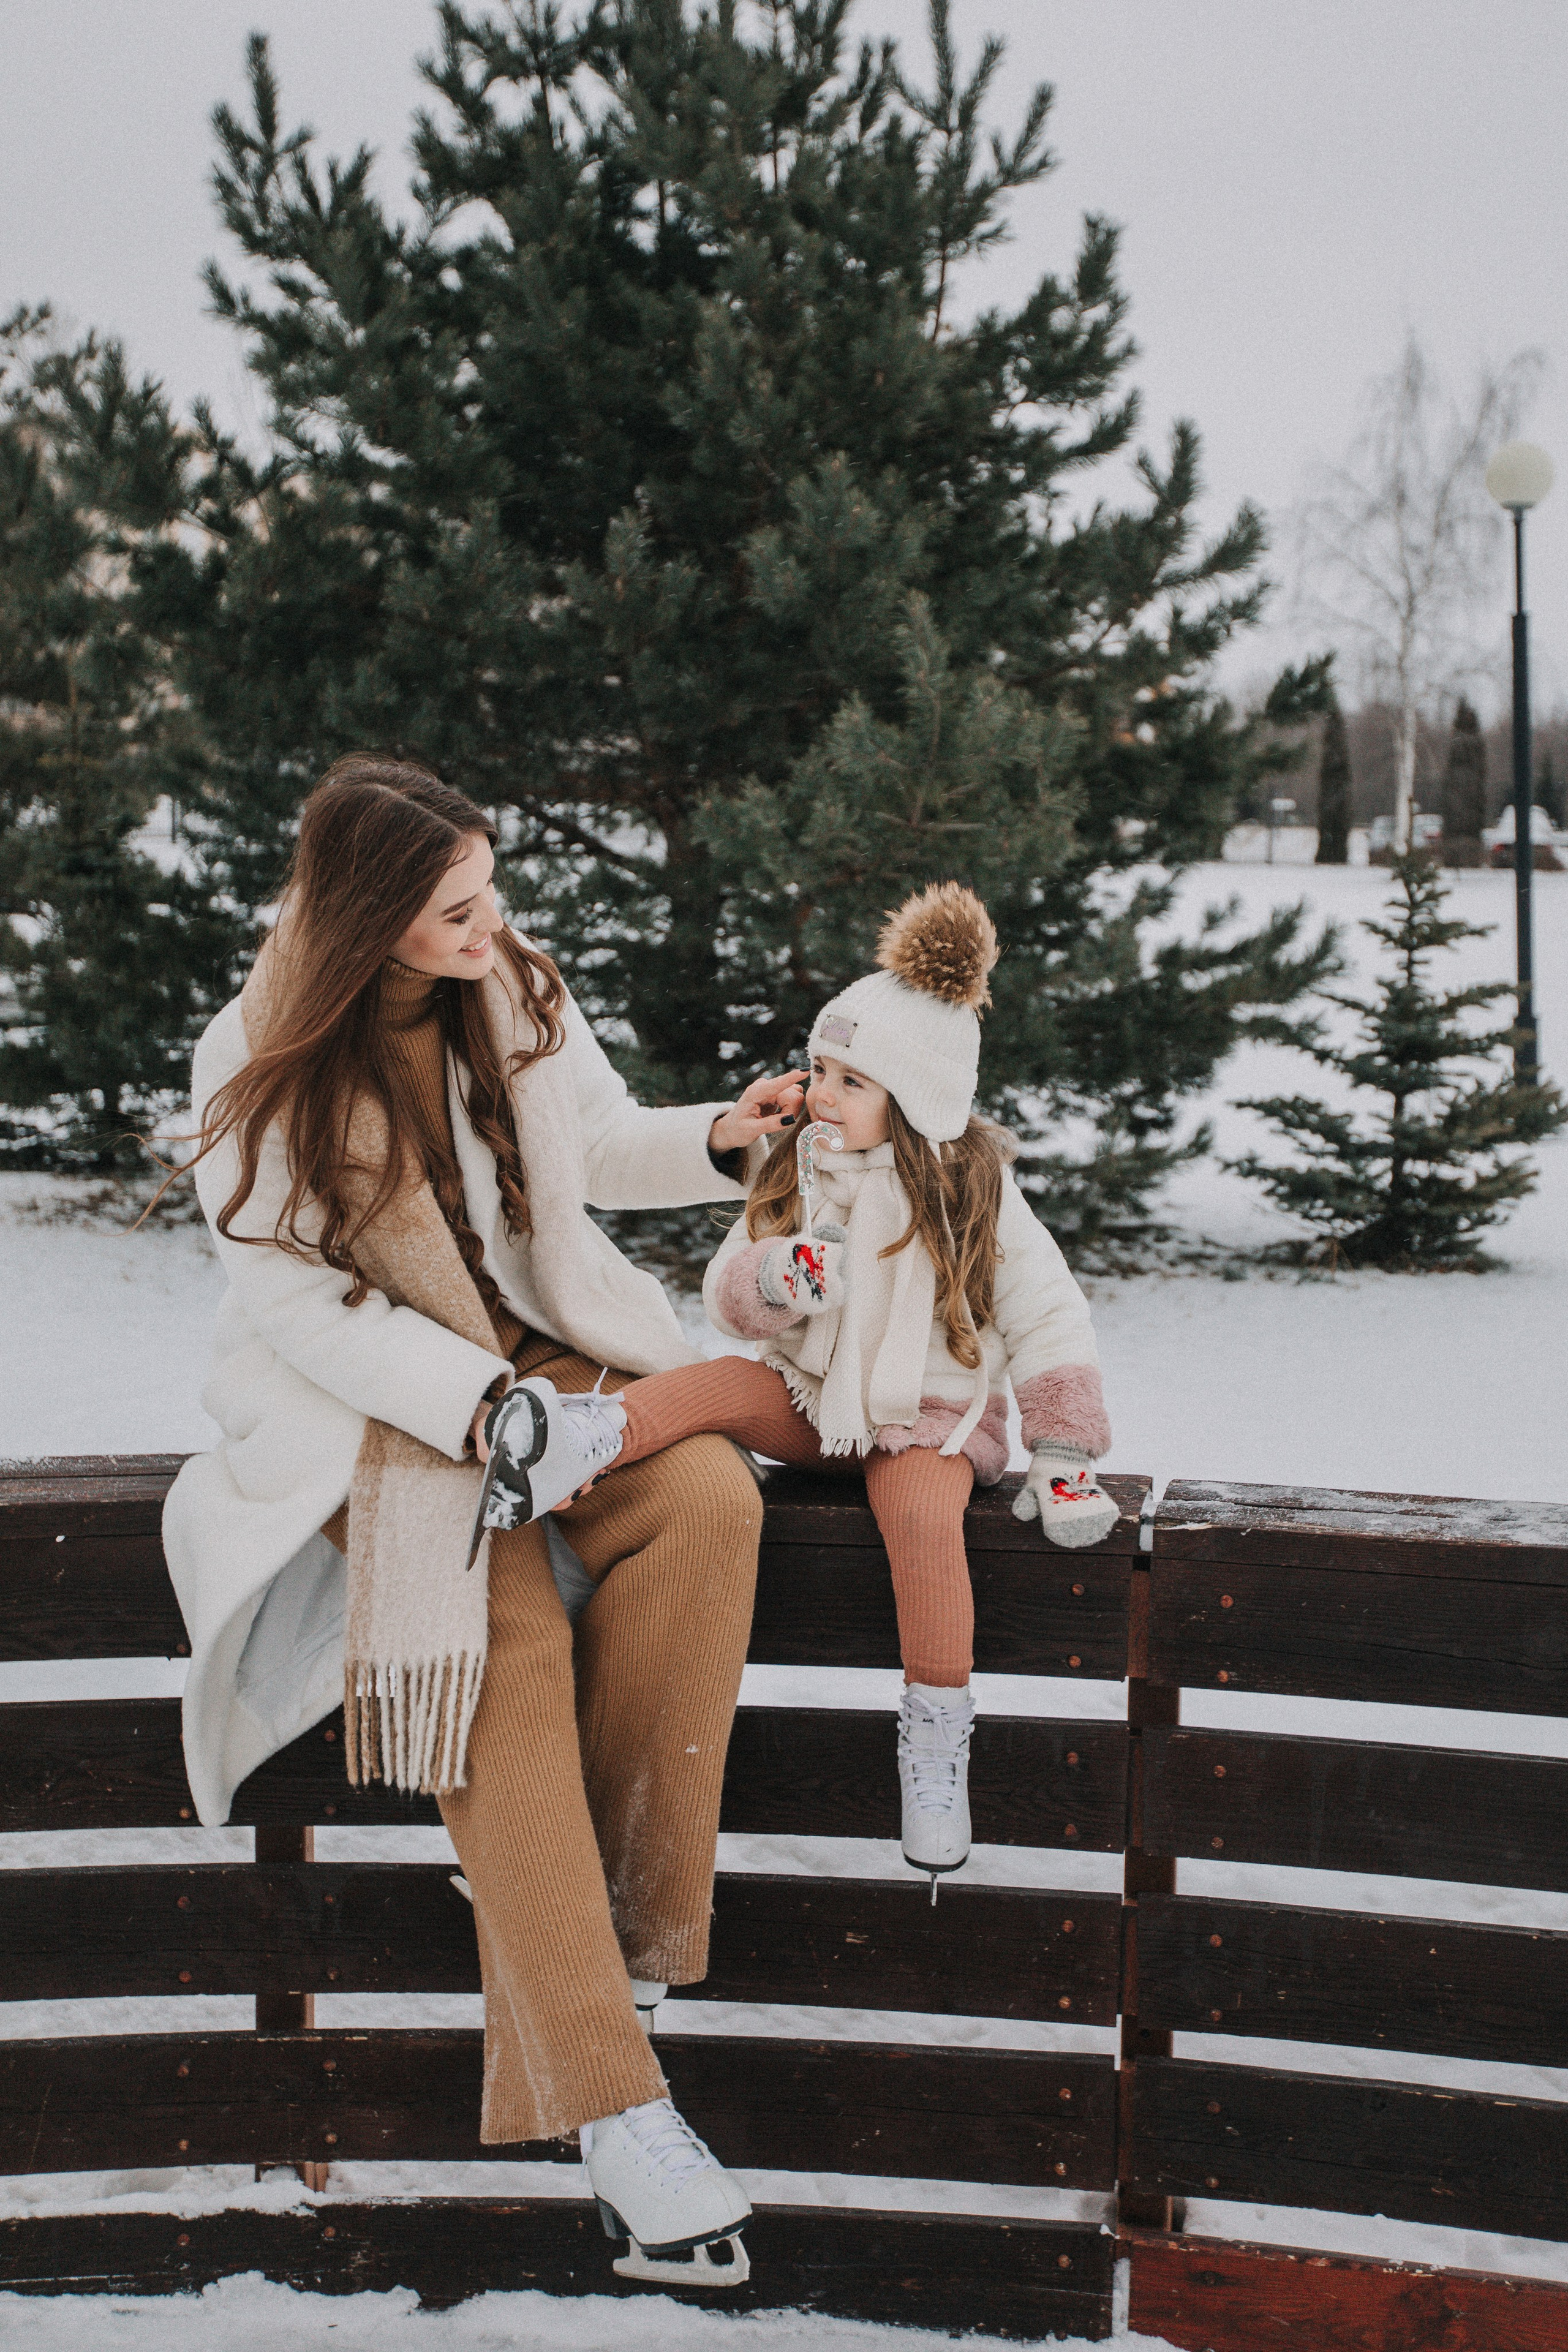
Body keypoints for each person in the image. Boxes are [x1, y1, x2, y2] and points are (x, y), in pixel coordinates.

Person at [160, 756, 809, 2286]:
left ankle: (605, 1948)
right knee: (487, 1633)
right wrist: (478, 1410)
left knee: (708, 1500)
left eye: (490, 889)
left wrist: (720, 1138)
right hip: (382, 1411)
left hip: (550, 1367)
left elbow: (593, 1144)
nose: (490, 922)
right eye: (457, 906)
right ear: (369, 916)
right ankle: (617, 2108)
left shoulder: (510, 982)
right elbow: (300, 1306)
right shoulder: (254, 1050)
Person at [480, 883, 1117, 1895]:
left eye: (850, 1080)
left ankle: (937, 1739)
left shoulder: (976, 1195)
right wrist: (777, 1281)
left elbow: (1049, 1314)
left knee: (923, 1522)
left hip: (927, 1425)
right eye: (820, 1068)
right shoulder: (801, 1167)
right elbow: (727, 1295)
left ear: (915, 1098)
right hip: (817, 1406)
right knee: (721, 1383)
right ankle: (578, 1442)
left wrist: (1064, 1449)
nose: (821, 1094)